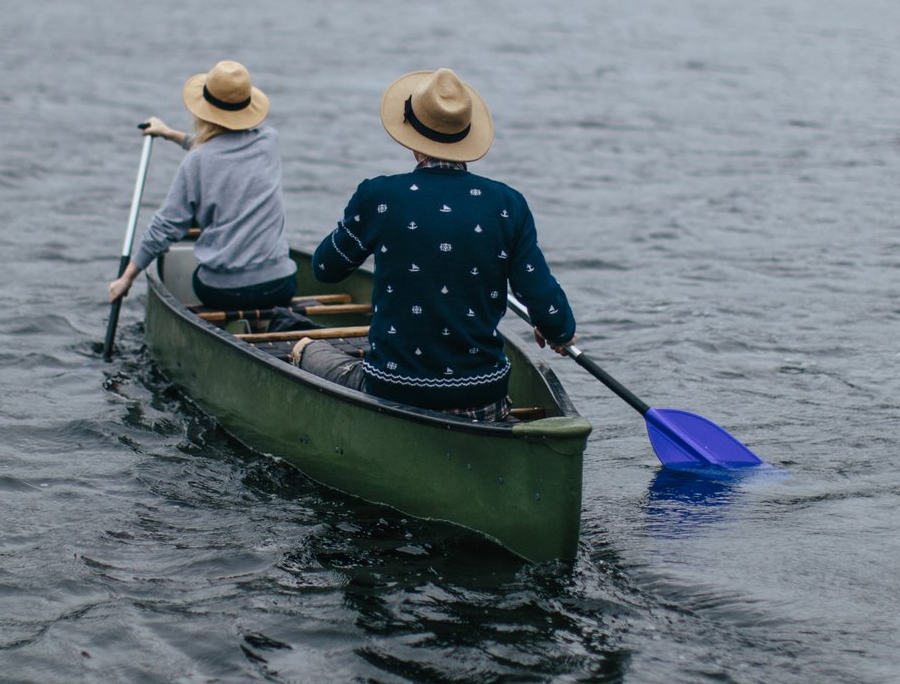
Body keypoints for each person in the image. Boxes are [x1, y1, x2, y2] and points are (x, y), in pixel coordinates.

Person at [291, 68, 576, 422]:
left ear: (411, 138)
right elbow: (546, 304)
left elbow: (324, 269)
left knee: (307, 349)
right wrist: (557, 331)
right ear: (466, 136)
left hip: (393, 388)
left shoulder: (379, 196)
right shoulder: (508, 203)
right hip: (484, 396)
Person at [106, 60, 299, 314]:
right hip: (280, 286)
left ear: (204, 109)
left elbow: (167, 226)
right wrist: (170, 134)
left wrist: (126, 278)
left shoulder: (197, 161)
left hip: (224, 293)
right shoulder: (269, 142)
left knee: (201, 277)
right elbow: (223, 151)